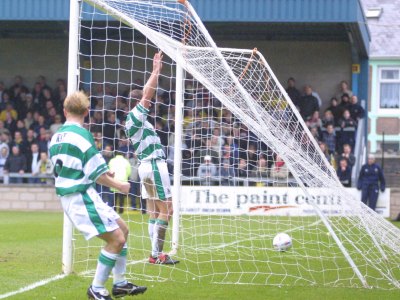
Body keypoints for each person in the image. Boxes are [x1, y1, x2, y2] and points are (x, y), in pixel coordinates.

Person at [49, 91, 146, 299]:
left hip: (77, 193)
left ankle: (120, 283)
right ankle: (97, 288)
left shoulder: (56, 136)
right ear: (87, 111)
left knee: (122, 228)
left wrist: (104, 173)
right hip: (79, 196)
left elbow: (77, 166)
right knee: (116, 239)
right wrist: (119, 185)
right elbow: (97, 175)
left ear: (64, 111)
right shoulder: (83, 136)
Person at [124, 52, 179, 265]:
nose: (150, 104)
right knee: (168, 209)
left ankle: (155, 254)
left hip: (146, 166)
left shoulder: (133, 121)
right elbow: (147, 96)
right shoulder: (136, 116)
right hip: (154, 165)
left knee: (154, 210)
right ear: (138, 103)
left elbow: (146, 96)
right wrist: (156, 70)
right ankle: (157, 255)